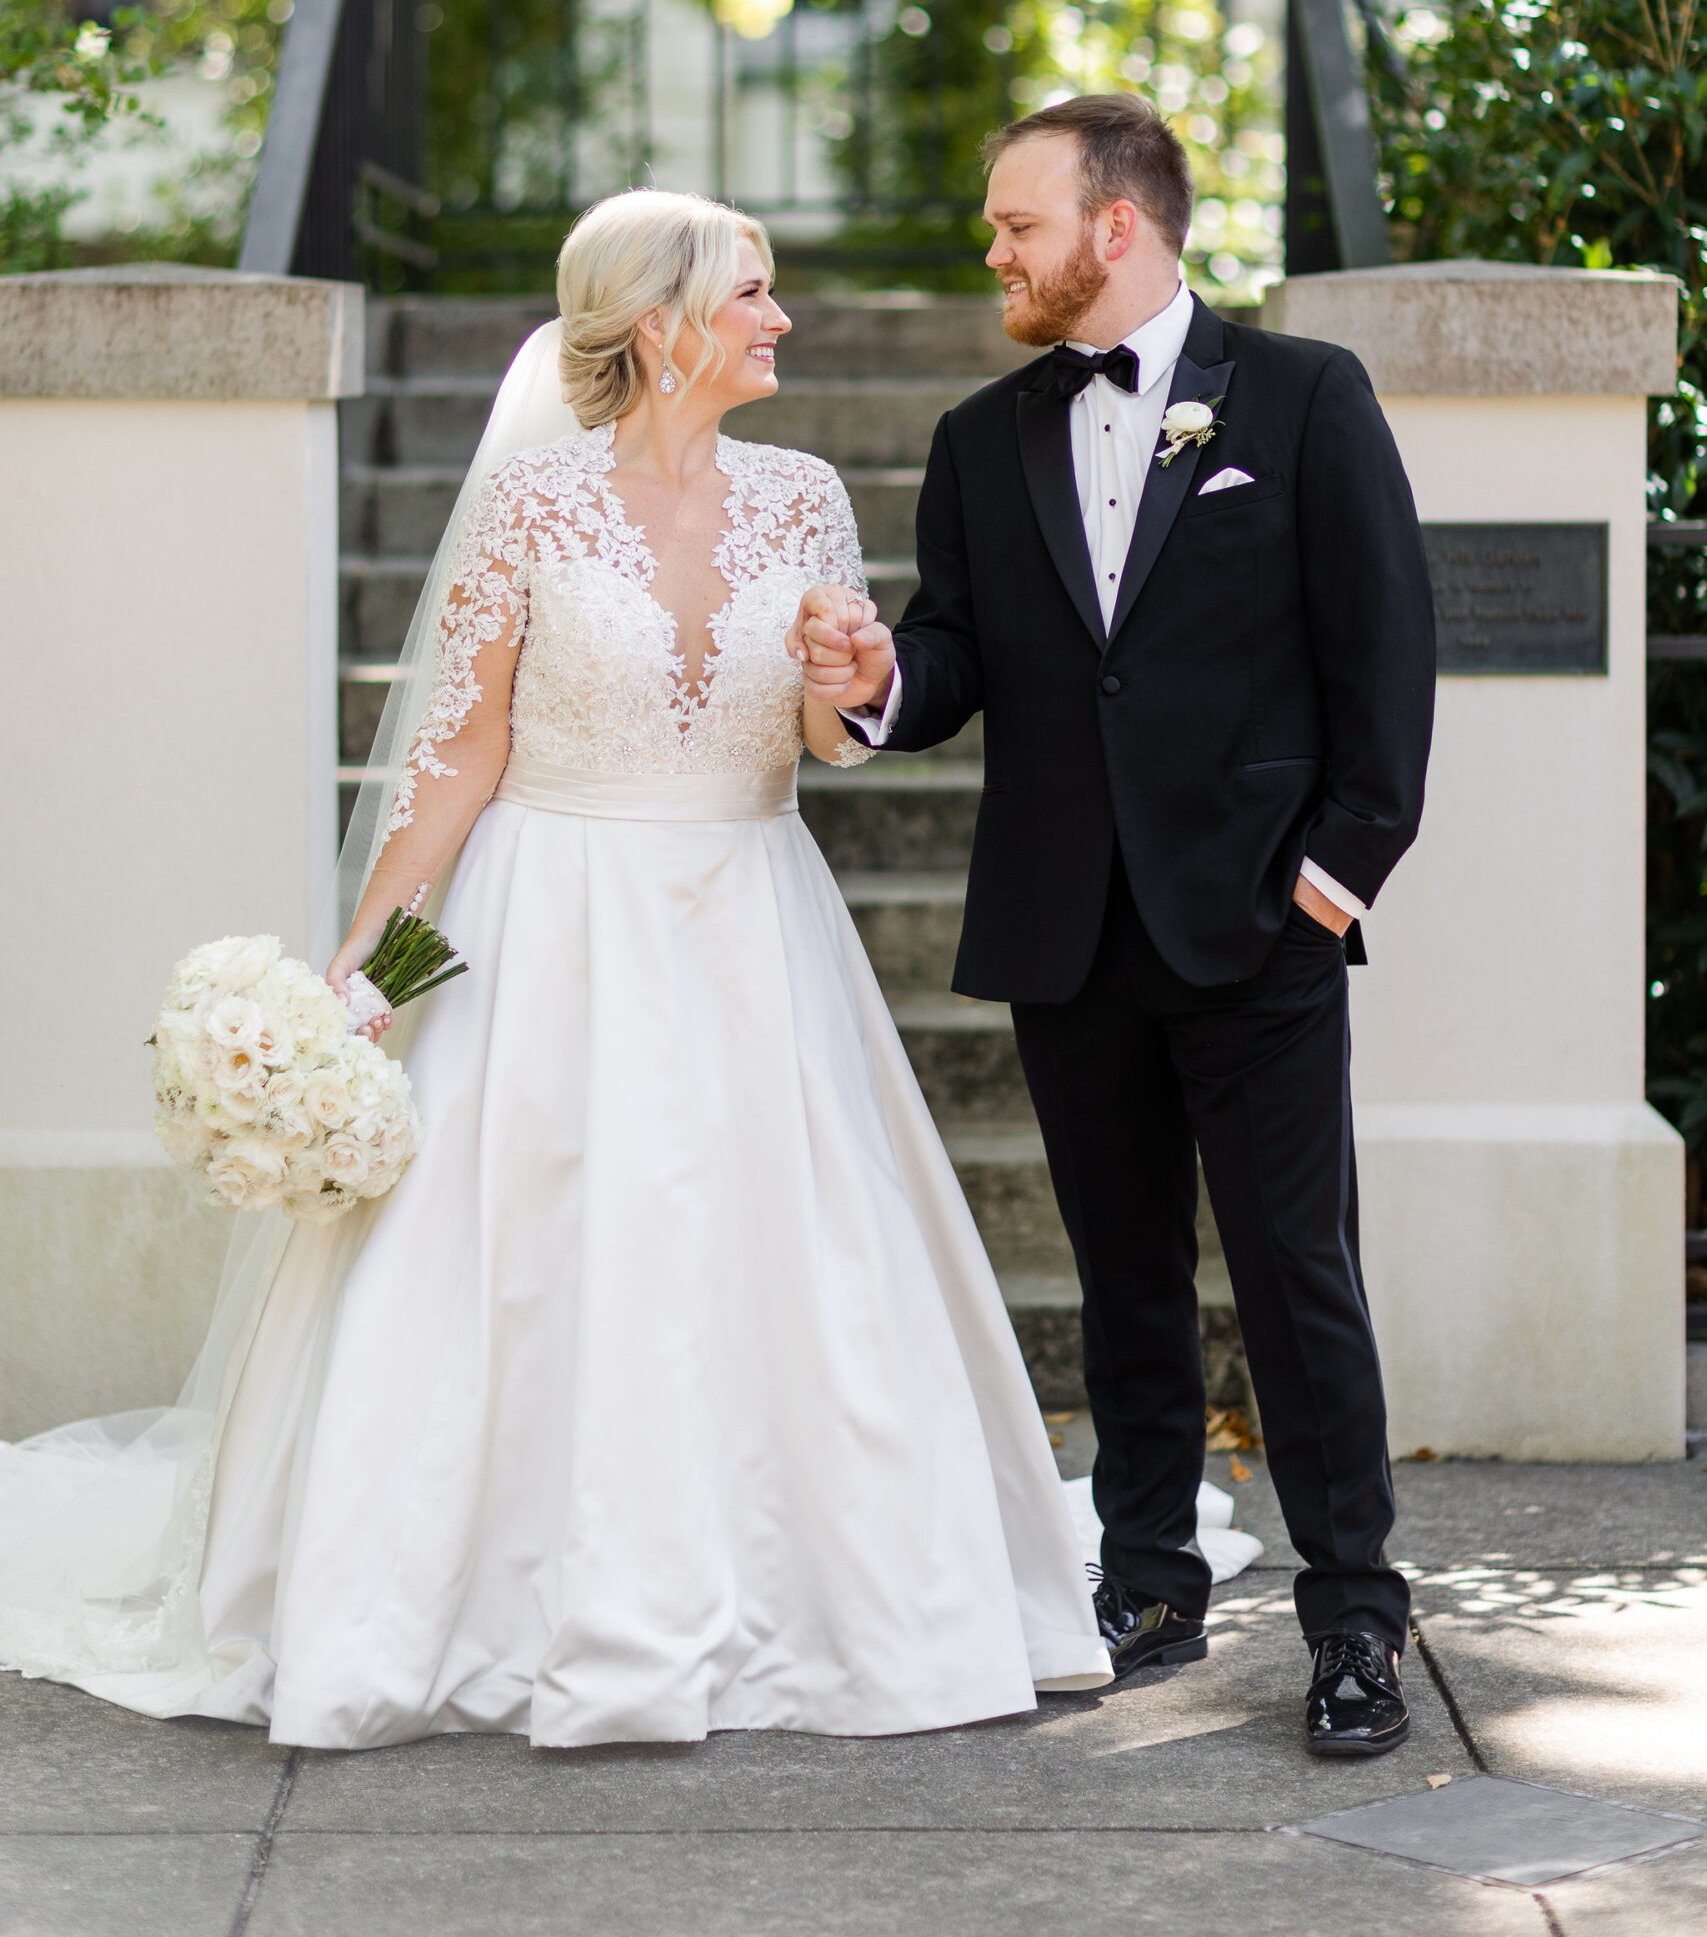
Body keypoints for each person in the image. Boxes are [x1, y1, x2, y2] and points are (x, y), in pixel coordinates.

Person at [0, 189, 1115, 1746]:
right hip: (546, 919)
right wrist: (362, 980)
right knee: (511, 1262)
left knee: (794, 1253)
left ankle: (831, 1598)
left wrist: (846, 680)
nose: (780, 321)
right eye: (754, 295)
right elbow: (453, 768)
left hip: (747, 914)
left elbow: (818, 738)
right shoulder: (529, 507)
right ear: (662, 325)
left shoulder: (800, 495)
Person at [798, 95, 1436, 1759]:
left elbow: (1386, 657)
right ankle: (1146, 1577)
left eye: (1017, 224)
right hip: (1065, 929)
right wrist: (877, 685)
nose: (994, 251)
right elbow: (953, 665)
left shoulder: (1301, 398)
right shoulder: (978, 438)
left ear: (1119, 226)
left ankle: (1357, 1613)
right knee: (1123, 1276)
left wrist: (1333, 879)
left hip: (1259, 927)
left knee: (1300, 1280)